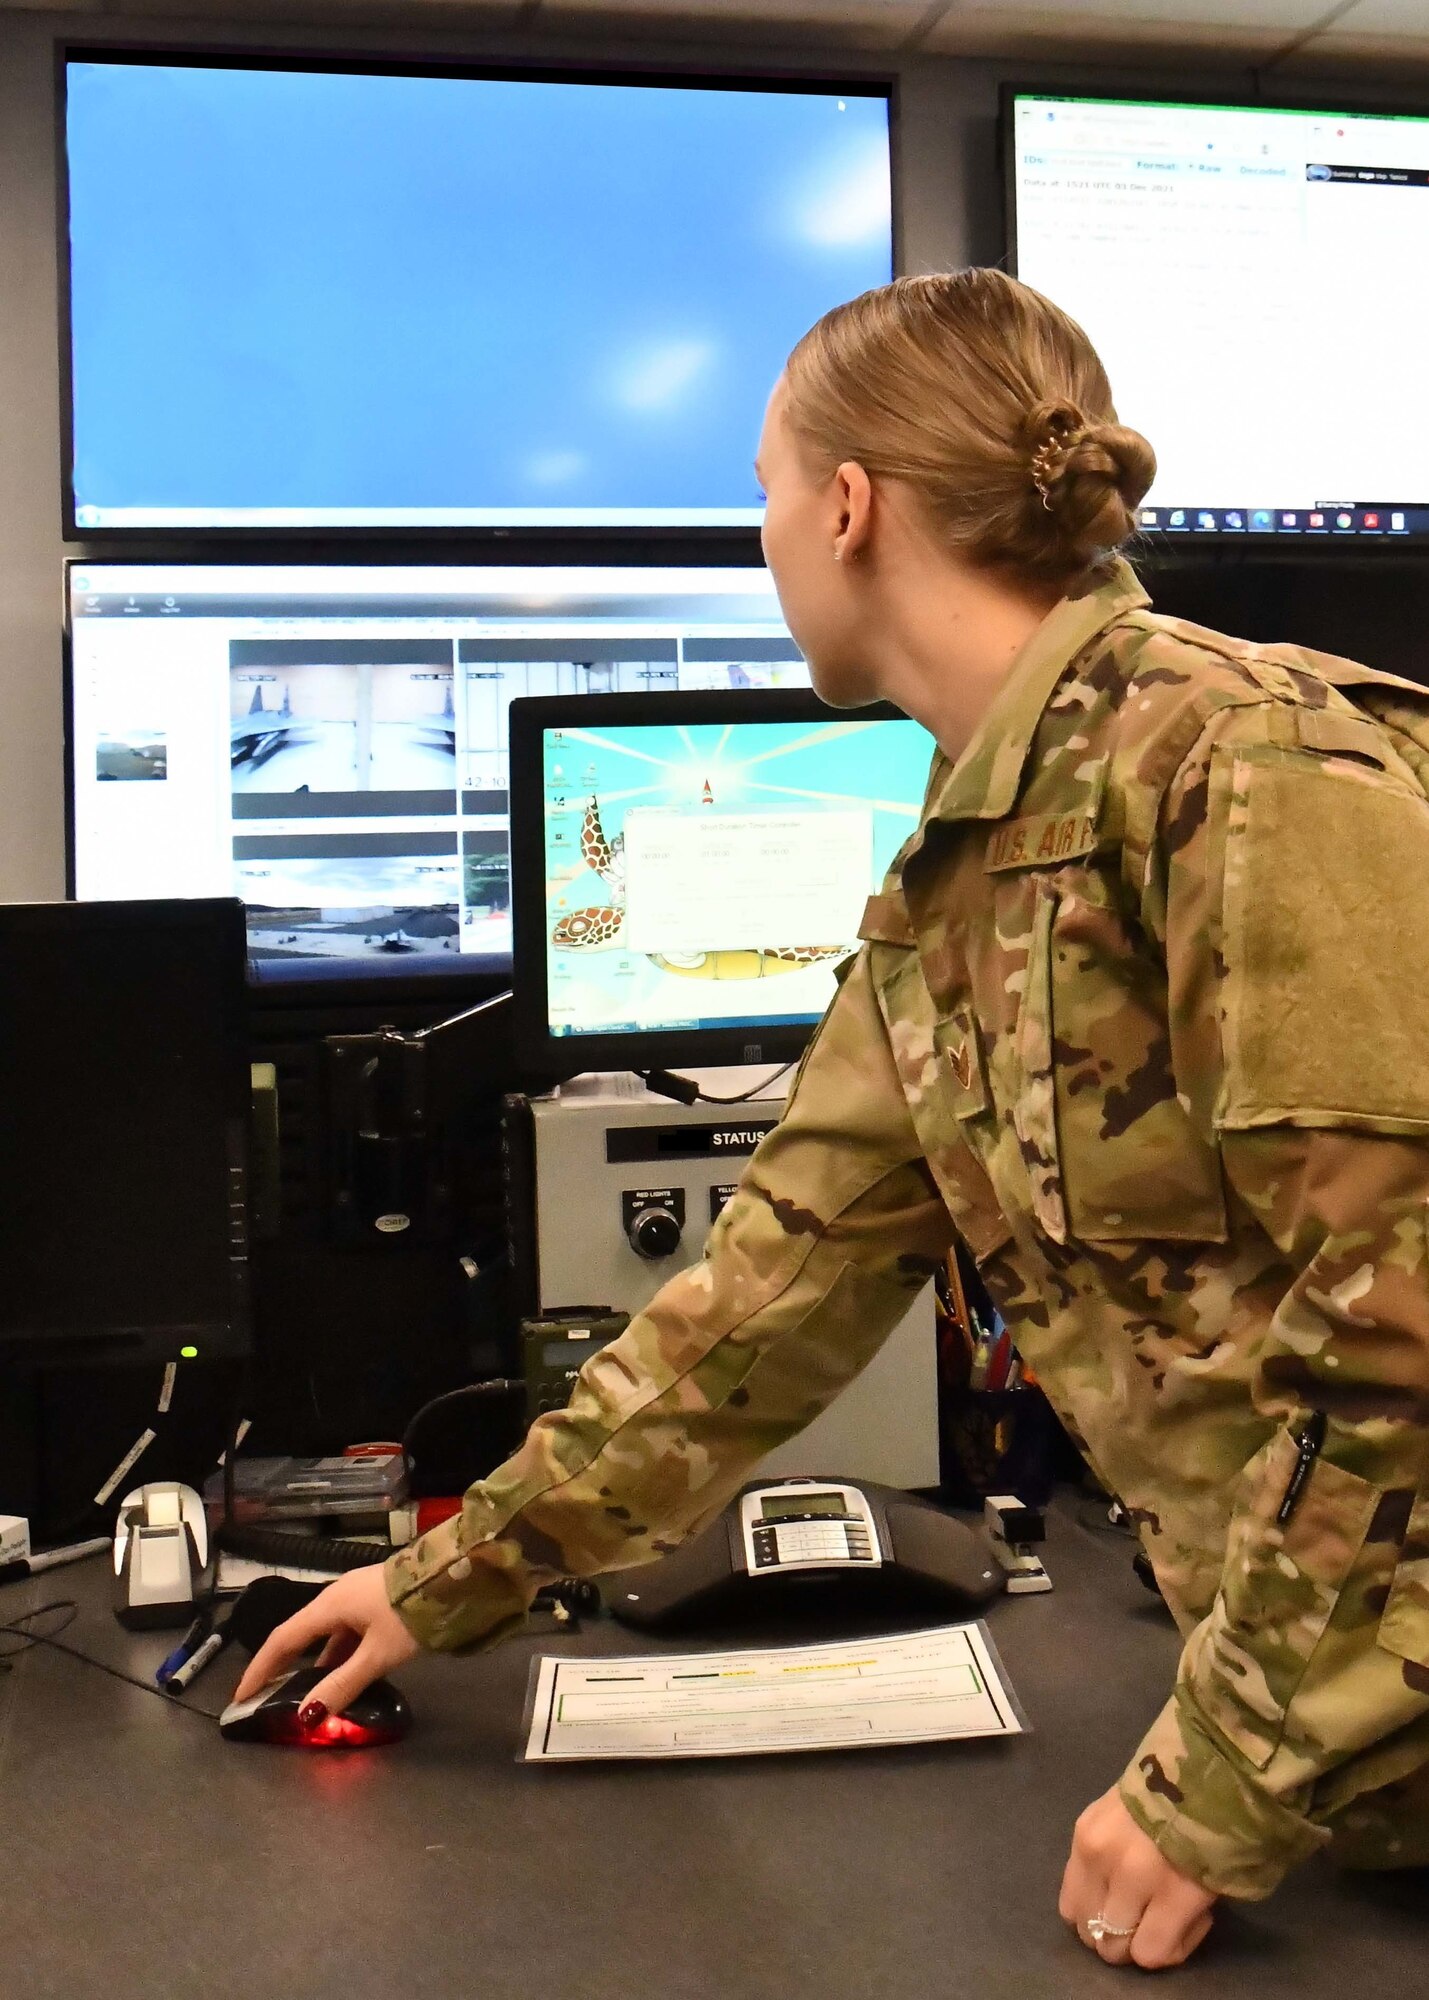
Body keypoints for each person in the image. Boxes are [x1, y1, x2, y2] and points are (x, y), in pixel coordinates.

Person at [236, 269, 1429, 1971]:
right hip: (1347, 1776)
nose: (767, 540)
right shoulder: (955, 884)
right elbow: (766, 1301)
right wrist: (440, 1580)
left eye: (763, 494)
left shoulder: (1251, 776)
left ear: (849, 506)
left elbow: (1400, 1337)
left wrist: (1211, 1787)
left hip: (1310, 1760)